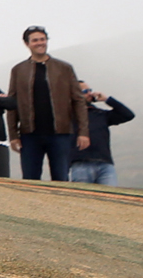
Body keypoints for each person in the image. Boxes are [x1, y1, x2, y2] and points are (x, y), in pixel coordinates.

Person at [5, 26, 86, 181]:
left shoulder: (64, 68)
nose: (40, 43)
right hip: (30, 135)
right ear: (27, 44)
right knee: (30, 180)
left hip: (60, 134)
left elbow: (78, 100)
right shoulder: (18, 70)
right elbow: (12, 104)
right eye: (35, 40)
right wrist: (14, 135)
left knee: (61, 178)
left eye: (43, 39)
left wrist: (83, 132)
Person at [68, 85, 135, 186]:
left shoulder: (99, 114)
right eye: (85, 91)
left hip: (105, 164)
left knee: (110, 197)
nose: (90, 93)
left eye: (90, 90)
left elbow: (128, 115)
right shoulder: (68, 115)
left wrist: (107, 100)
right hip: (80, 163)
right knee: (84, 199)